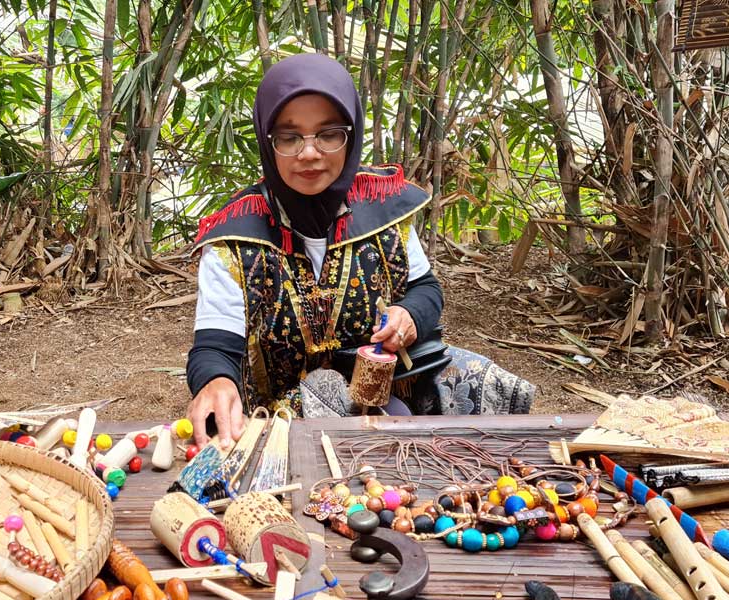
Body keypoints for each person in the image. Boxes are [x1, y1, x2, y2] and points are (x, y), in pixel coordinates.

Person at [186, 54, 534, 450]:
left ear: (351, 135)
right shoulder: (236, 237)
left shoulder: (383, 207)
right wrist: (216, 381)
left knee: (481, 381)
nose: (310, 153)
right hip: (286, 413)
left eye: (328, 133)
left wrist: (408, 316)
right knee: (323, 390)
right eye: (289, 137)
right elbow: (215, 345)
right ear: (268, 140)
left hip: (391, 387)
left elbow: (426, 291)